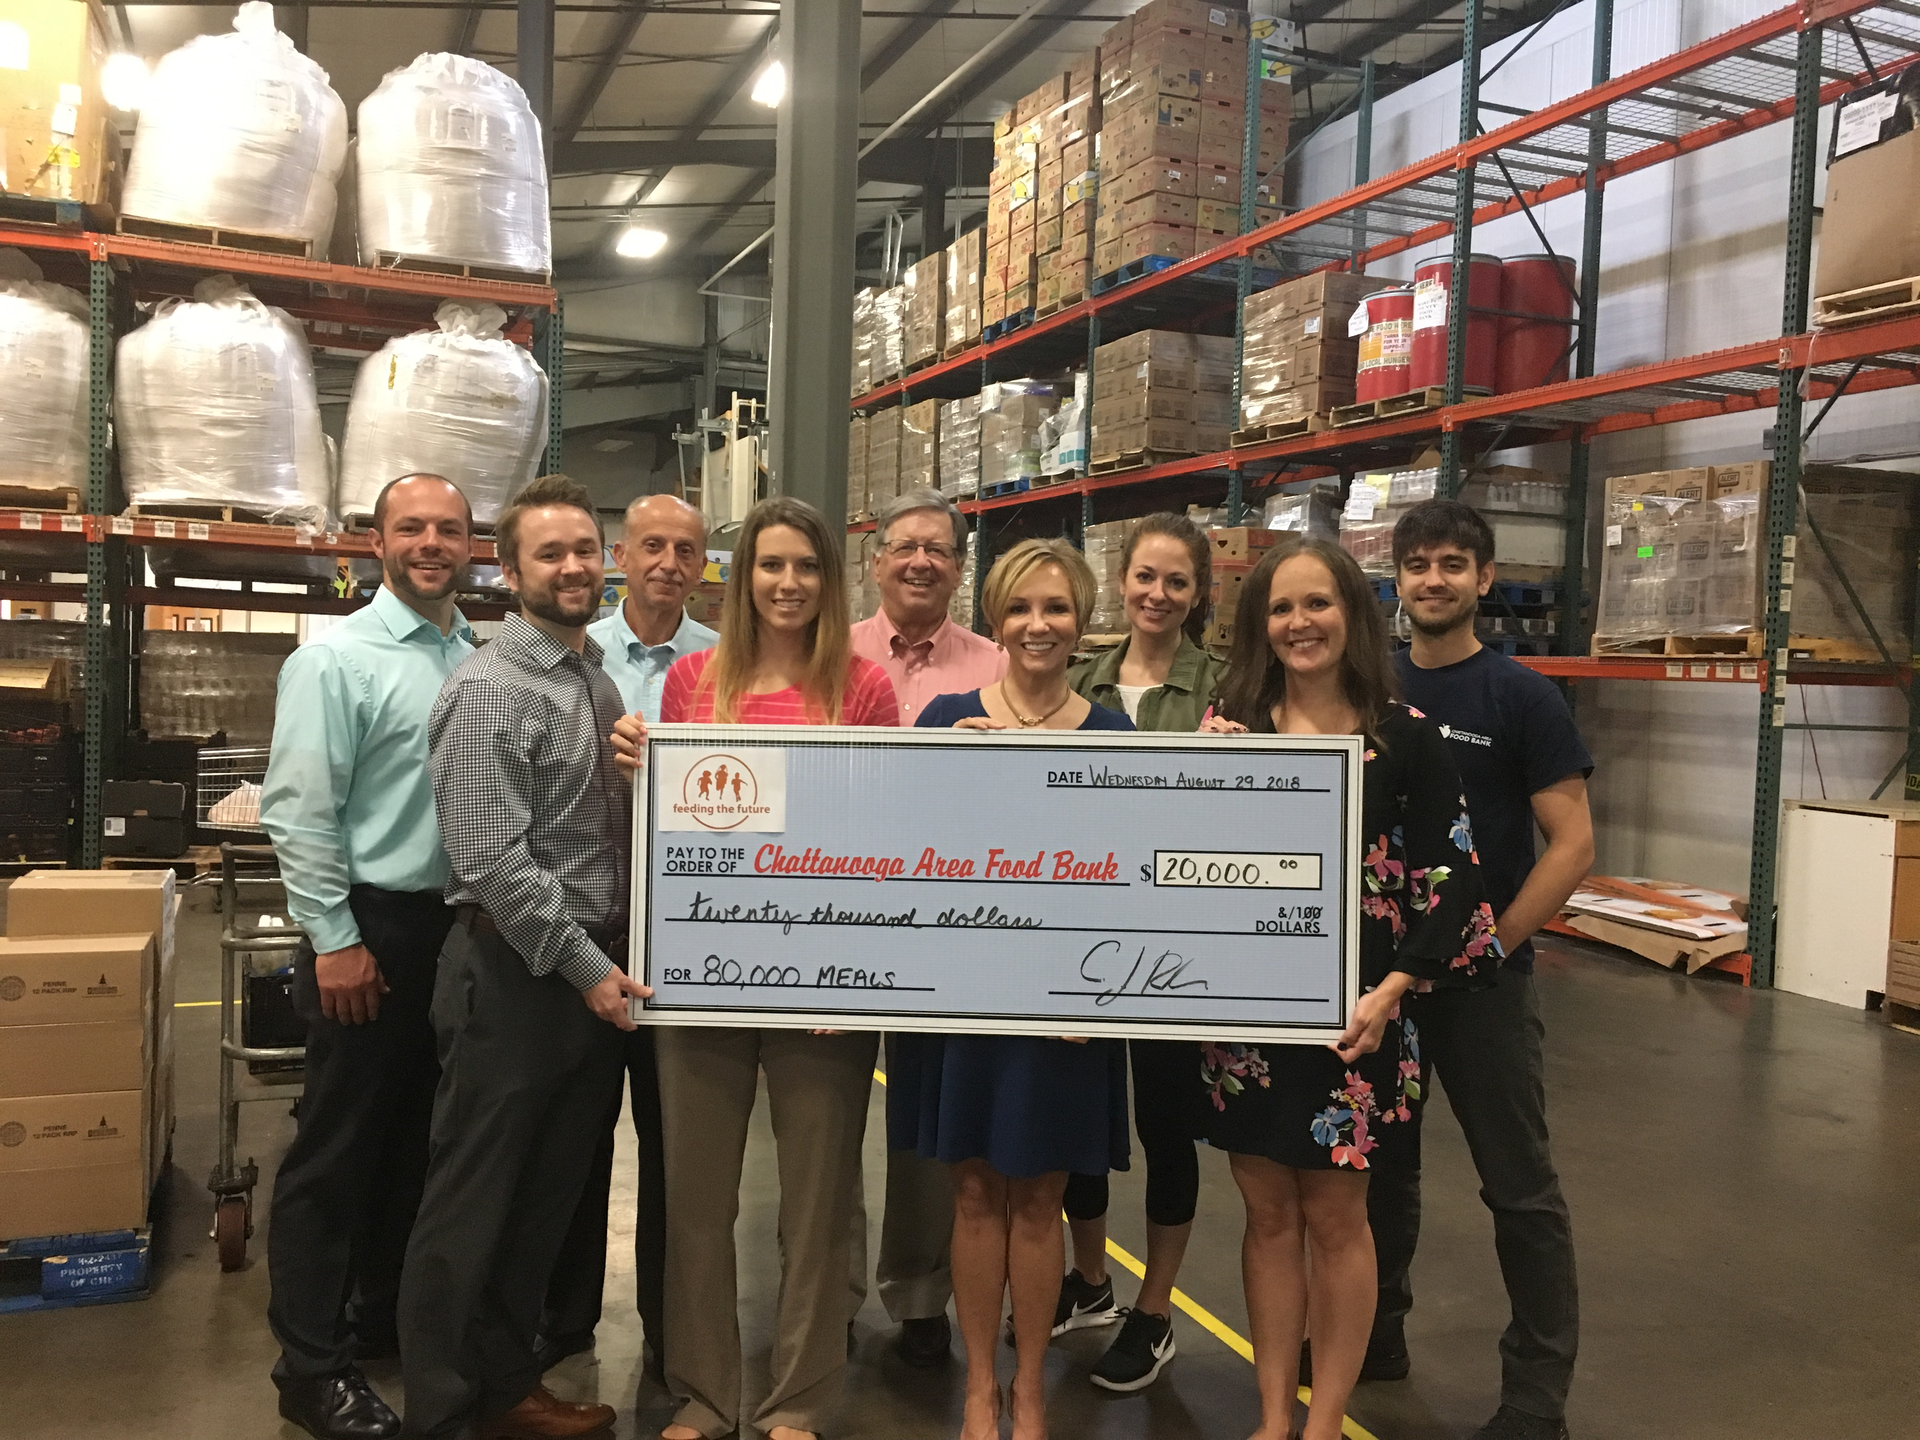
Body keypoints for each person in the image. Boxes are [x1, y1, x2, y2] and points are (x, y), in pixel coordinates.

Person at [1199, 535, 1500, 1440]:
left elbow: (1454, 875)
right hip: (1246, 1016)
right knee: (1264, 1214)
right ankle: (1269, 1414)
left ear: (1352, 617)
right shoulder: (1230, 727)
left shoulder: (1406, 741)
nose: (1300, 623)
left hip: (1362, 1020)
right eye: (1282, 608)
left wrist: (1395, 988)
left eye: (1318, 604)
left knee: (1337, 1219)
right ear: (1261, 625)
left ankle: (1323, 1421)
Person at [611, 496, 898, 1440]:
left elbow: (875, 840)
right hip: (702, 975)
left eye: (806, 568)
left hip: (823, 983)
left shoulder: (862, 689)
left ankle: (801, 1398)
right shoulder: (693, 682)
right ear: (744, 580)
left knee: (818, 1203)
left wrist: (849, 967)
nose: (787, 584)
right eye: (770, 566)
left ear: (829, 581)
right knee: (694, 1195)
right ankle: (702, 1392)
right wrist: (638, 764)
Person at [398, 474, 651, 1440]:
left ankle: (508, 1388)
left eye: (586, 548)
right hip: (513, 977)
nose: (575, 566)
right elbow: (491, 860)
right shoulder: (487, 688)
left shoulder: (594, 679)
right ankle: (446, 1411)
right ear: (509, 571)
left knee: (541, 1201)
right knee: (472, 1206)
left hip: (584, 979)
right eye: (551, 553)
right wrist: (589, 969)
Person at [886, 538, 1134, 1440]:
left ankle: (1029, 1384)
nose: (1039, 624)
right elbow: (898, 863)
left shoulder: (1113, 737)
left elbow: (1131, 882)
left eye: (1058, 608)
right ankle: (980, 1386)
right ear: (997, 618)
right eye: (1023, 608)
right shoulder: (947, 720)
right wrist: (938, 772)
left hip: (1065, 1011)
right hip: (963, 1003)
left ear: (1081, 624)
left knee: (1040, 1198)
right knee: (976, 1195)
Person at [1369, 499, 1593, 1440]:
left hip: (1483, 989)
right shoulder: (1372, 688)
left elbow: (1573, 843)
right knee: (1382, 1173)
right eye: (1418, 563)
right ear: (1399, 578)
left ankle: (1536, 1395)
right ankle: (1378, 1334)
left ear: (1484, 579)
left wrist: (1491, 944)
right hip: (1386, 980)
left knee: (1518, 1187)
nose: (1433, 580)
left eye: (1452, 564)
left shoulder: (1521, 697)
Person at [260, 474, 476, 1440]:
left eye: (449, 529)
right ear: (375, 544)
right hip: (370, 928)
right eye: (412, 528)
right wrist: (335, 939)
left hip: (456, 933)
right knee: (336, 1153)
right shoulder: (338, 661)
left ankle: (377, 1319)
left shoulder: (477, 654)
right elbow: (299, 811)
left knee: (416, 1147)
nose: (431, 542)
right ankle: (311, 1371)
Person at [539, 494, 717, 1378]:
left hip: (687, 939)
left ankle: (669, 1331)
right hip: (587, 932)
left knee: (676, 1147)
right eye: (653, 545)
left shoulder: (722, 662)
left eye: (687, 549)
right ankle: (563, 1321)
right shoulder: (577, 653)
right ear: (621, 554)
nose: (670, 563)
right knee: (574, 1137)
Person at [1058, 512, 1227, 1391]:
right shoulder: (1077, 673)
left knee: (1166, 1127)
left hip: (1173, 951)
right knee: (1083, 1122)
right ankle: (1089, 1281)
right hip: (1081, 938)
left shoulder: (1225, 692)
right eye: (1145, 578)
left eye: (1176, 582)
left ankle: (1154, 1313)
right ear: (1122, 581)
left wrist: (1236, 760)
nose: (1157, 595)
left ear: (1199, 594)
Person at [847, 487, 1006, 1369]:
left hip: (950, 922)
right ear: (875, 560)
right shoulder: (836, 653)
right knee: (827, 1115)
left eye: (938, 550)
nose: (919, 562)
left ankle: (918, 1297)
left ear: (958, 563)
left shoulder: (994, 663)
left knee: (924, 1123)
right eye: (904, 547)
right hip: (838, 910)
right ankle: (825, 1295)